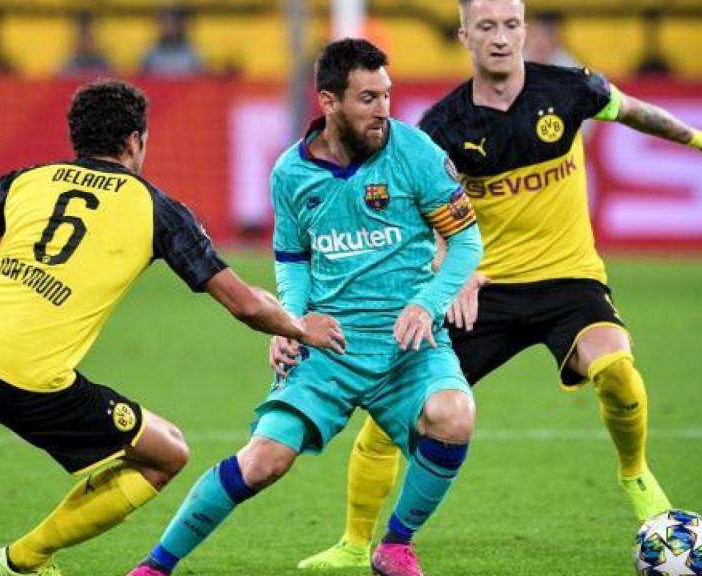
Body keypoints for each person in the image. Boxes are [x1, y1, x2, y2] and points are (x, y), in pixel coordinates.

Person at [0, 78, 345, 576]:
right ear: (134, 141)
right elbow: (243, 303)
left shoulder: (27, 180)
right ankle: (24, 560)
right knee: (167, 453)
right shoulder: (156, 209)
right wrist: (302, 328)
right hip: (32, 376)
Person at [297, 0, 702, 570]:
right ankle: (354, 543)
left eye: (511, 25)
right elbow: (420, 215)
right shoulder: (444, 127)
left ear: (524, 30)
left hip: (568, 279)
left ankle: (634, 472)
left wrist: (698, 139)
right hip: (484, 290)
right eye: (486, 26)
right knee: (391, 411)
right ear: (465, 36)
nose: (501, 37)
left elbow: (632, 111)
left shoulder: (570, 88)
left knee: (616, 367)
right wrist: (450, 269)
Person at [127, 38, 483, 576]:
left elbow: (467, 241)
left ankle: (396, 545)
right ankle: (155, 566)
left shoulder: (417, 153)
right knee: (263, 462)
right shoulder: (290, 174)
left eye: (386, 95)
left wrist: (426, 303)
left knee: (454, 414)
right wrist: (290, 323)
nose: (383, 109)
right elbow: (292, 259)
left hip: (407, 346)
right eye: (368, 98)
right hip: (327, 346)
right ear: (329, 101)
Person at [140, 6, 204, 78]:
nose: (169, 27)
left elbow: (202, 80)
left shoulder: (193, 53)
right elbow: (141, 79)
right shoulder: (150, 53)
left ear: (180, 25)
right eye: (165, 23)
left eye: (173, 23)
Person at [62, 12, 111, 76]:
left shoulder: (101, 63)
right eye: (81, 35)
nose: (85, 41)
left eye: (88, 36)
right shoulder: (70, 64)